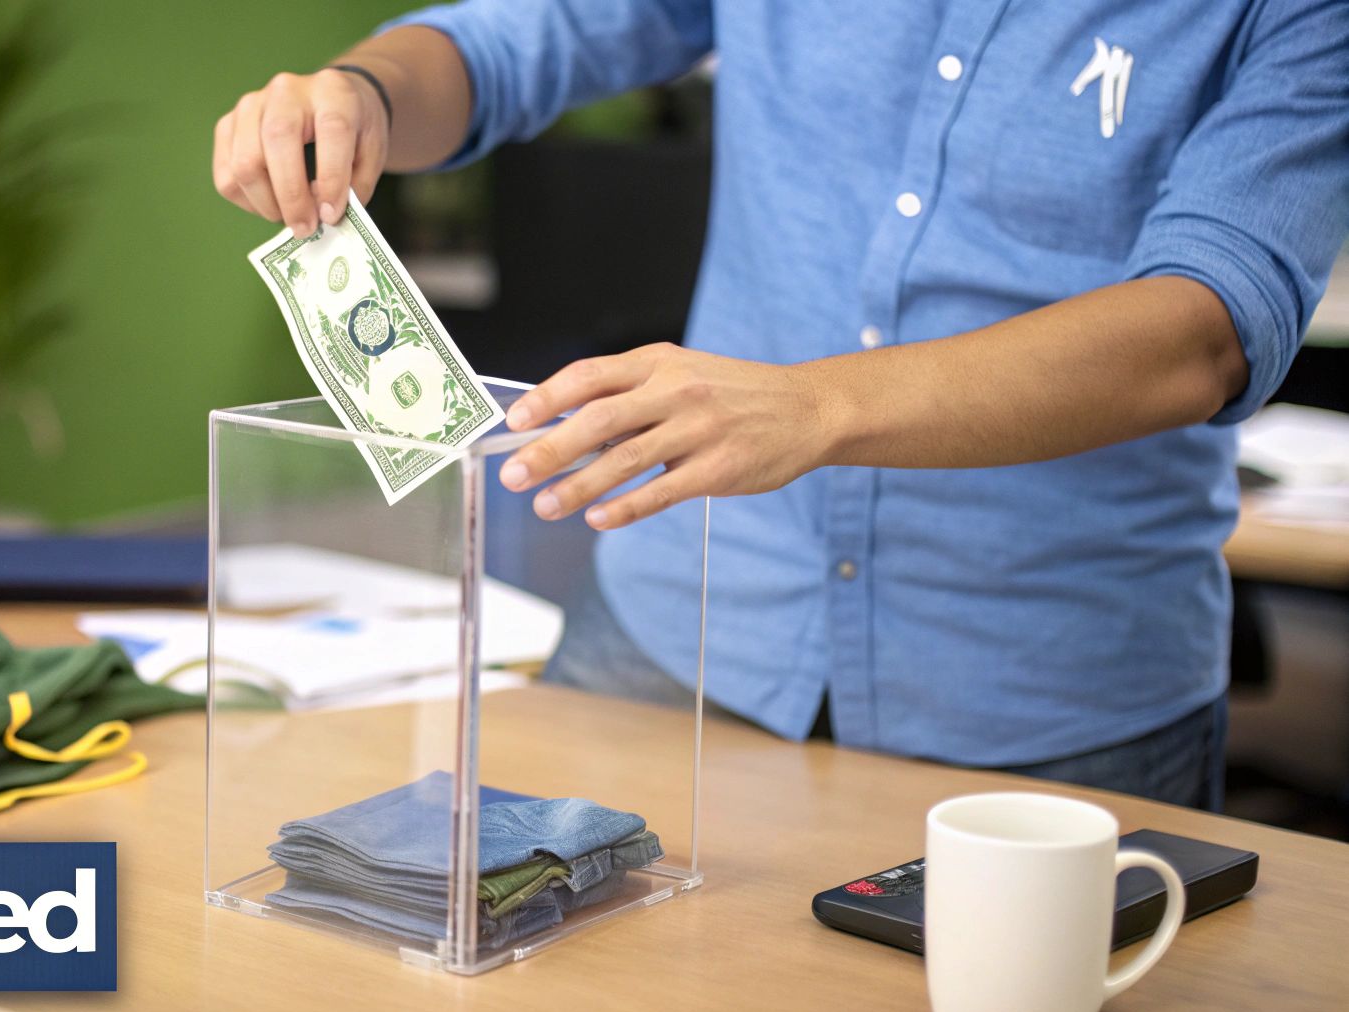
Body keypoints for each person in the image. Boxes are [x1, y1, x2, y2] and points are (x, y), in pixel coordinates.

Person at [210, 1, 1349, 810]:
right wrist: (363, 91)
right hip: (683, 627)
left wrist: (814, 407)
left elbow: (1204, 326)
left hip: (1047, 696)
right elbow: (522, 37)